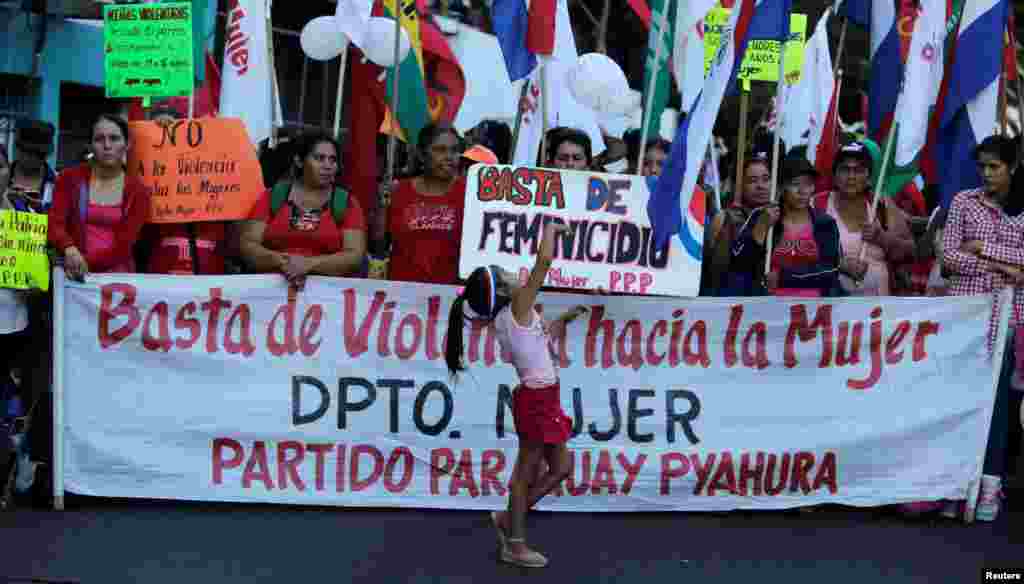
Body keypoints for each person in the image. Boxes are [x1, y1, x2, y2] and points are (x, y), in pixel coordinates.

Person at [444, 222, 587, 568]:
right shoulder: (520, 304)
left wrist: (561, 320)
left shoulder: (510, 317)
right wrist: (552, 230)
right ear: (505, 288)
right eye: (504, 272)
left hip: (543, 397)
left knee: (562, 467)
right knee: (526, 474)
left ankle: (510, 518)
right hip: (538, 400)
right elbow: (544, 262)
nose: (512, 272)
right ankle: (515, 543)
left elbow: (535, 344)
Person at [940, 134, 1024, 522]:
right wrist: (1005, 267)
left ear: (1011, 168)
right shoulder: (963, 202)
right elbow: (951, 257)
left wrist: (984, 250)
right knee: (959, 400)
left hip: (1010, 320)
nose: (987, 174)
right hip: (966, 317)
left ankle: (990, 485)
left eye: (995, 166)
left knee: (999, 406)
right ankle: (954, 483)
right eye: (983, 166)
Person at [239, 131, 367, 289]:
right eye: (319, 158)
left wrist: (308, 264)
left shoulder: (346, 203)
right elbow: (248, 244)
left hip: (327, 300)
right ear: (299, 161)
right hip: (269, 297)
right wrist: (285, 263)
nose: (328, 165)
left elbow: (354, 255)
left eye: (332, 160)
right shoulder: (273, 196)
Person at [48, 114, 150, 281]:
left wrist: (81, 263)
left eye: (114, 138)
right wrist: (68, 247)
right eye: (99, 139)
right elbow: (54, 223)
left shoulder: (139, 192)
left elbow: (123, 247)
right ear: (90, 145)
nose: (107, 145)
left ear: (127, 144)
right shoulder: (69, 179)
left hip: (118, 282)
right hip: (72, 279)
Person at [726, 158, 841, 297]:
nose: (802, 191)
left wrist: (784, 278)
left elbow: (831, 270)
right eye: (795, 184)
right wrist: (761, 229)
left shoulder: (825, 223)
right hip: (766, 308)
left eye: (808, 184)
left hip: (814, 311)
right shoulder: (761, 215)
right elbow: (738, 264)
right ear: (781, 187)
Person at [813, 142, 914, 297]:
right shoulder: (817, 205)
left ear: (868, 176)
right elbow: (798, 252)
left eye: (858, 170)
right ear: (834, 175)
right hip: (830, 309)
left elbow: (910, 252)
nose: (851, 177)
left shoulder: (882, 205)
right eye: (845, 169)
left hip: (879, 311)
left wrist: (882, 238)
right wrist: (837, 264)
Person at [373, 123, 466, 285]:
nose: (449, 156)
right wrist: (382, 206)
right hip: (401, 297)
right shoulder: (398, 190)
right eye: (440, 150)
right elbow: (378, 245)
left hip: (450, 297)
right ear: (422, 155)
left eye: (454, 150)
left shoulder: (470, 193)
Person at [700, 154, 773, 296]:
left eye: (766, 179)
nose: (761, 186)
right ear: (739, 185)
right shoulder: (725, 218)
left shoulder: (780, 217)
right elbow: (716, 273)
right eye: (752, 181)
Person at [8, 119, 57, 212]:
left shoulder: (60, 184)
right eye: (28, 152)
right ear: (18, 148)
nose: (33, 159)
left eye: (39, 154)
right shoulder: (3, 178)